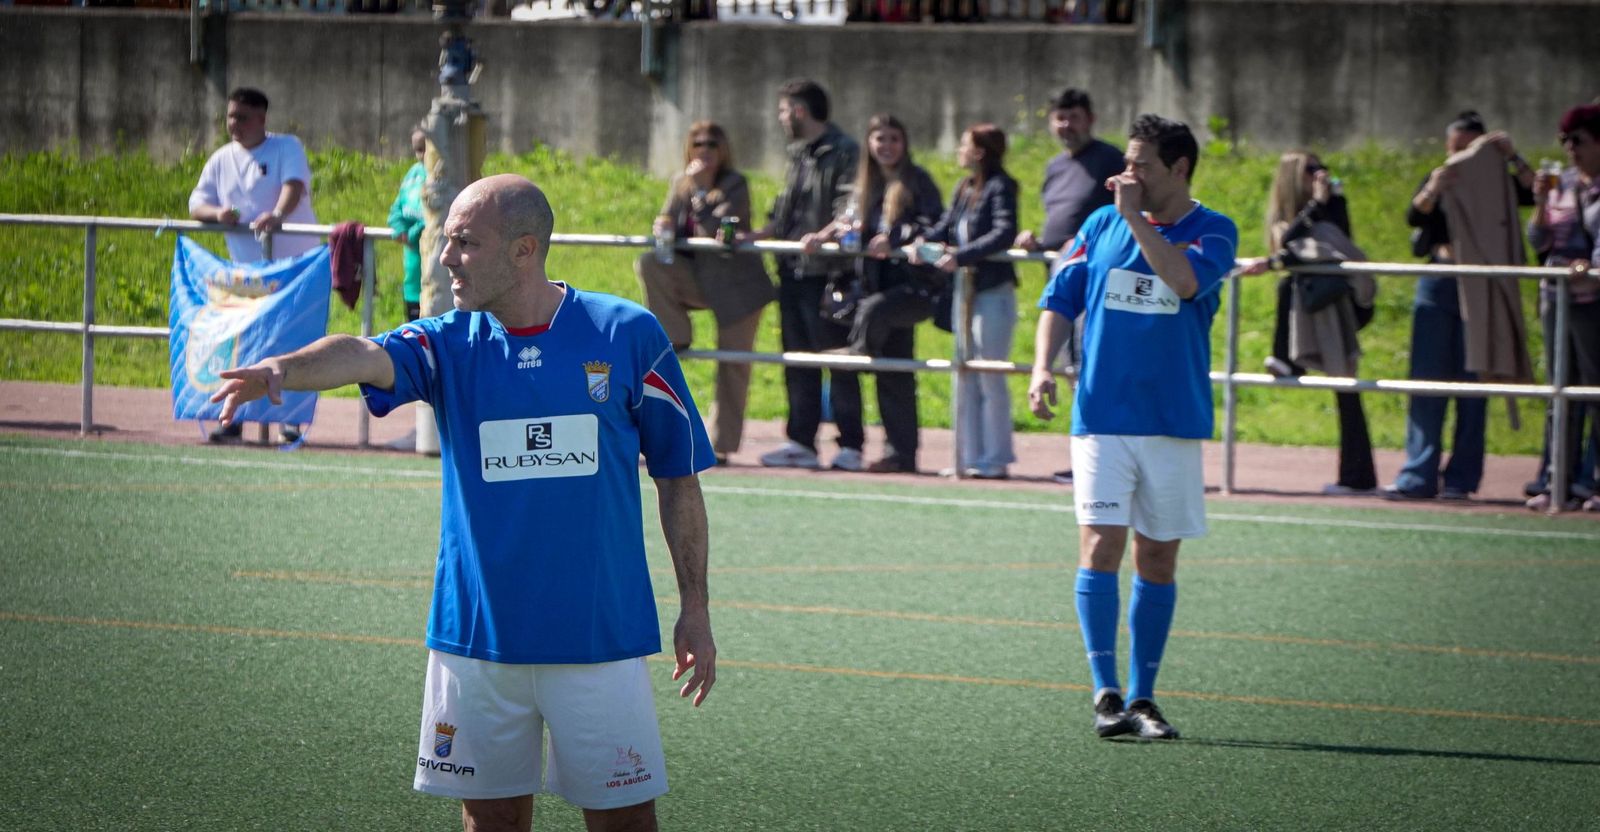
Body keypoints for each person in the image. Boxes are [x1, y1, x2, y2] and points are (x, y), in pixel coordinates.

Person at [208, 174, 717, 832]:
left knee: (624, 821)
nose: (444, 258)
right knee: (491, 822)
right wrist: (285, 368)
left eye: (464, 243)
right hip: (475, 642)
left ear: (524, 250)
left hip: (599, 636)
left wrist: (695, 609)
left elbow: (678, 477)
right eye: (444, 241)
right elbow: (363, 355)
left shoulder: (627, 335)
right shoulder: (446, 342)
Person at [1028, 114, 1239, 740]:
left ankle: (1146, 698)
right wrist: (1043, 367)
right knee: (1100, 546)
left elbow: (1183, 281)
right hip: (1101, 417)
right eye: (1127, 162)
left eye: (1142, 165)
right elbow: (1059, 300)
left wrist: (1135, 220)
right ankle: (1107, 694)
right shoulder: (1099, 225)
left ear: (1178, 169)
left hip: (1172, 420)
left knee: (1157, 557)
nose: (1127, 175)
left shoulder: (1213, 230)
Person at [1385, 111, 1535, 501]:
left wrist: (1513, 159)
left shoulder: (1498, 181)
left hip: (1481, 284)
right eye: (1454, 150)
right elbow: (1413, 215)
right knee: (1427, 381)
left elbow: (1534, 194)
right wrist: (1435, 186)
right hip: (1439, 281)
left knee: (1474, 384)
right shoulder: (1440, 176)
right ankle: (1417, 475)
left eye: (1468, 151)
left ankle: (1461, 479)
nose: (1460, 159)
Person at [802, 114, 944, 473]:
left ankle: (902, 451)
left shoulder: (917, 181)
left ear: (905, 143)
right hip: (869, 286)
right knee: (884, 369)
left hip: (910, 287)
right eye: (880, 139)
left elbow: (935, 225)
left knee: (892, 367)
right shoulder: (863, 183)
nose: (887, 146)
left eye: (894, 139)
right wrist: (824, 235)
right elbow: (848, 219)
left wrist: (896, 238)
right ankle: (886, 450)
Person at [635, 121, 775, 466]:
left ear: (724, 149)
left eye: (713, 143)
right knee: (650, 262)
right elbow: (667, 219)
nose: (705, 150)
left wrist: (699, 194)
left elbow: (723, 233)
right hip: (697, 278)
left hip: (738, 288)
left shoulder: (734, 184)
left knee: (733, 366)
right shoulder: (679, 182)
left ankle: (722, 445)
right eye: (698, 143)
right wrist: (663, 224)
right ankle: (676, 336)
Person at [1238, 151, 1378, 495]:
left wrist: (1327, 201)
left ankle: (1357, 477)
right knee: (1288, 285)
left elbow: (1341, 242)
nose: (1319, 174)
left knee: (1347, 386)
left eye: (1320, 168)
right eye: (1310, 170)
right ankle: (1284, 357)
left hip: (1335, 305)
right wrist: (1313, 206)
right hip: (1310, 304)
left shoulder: (1330, 206)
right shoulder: (1287, 217)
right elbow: (1289, 243)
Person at [188, 86, 320, 444]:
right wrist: (217, 213)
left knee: (292, 346)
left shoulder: (286, 147)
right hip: (248, 275)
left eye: (242, 117)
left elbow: (293, 186)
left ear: (261, 118)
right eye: (231, 116)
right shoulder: (220, 159)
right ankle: (233, 421)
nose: (234, 124)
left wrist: (276, 215)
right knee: (245, 347)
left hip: (294, 271)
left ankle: (289, 422)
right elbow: (196, 203)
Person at [747, 79, 864, 471]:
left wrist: (826, 235)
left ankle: (851, 445)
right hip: (792, 269)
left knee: (837, 360)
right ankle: (801, 441)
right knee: (797, 359)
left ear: (799, 111)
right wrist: (757, 234)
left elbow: (851, 203)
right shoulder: (798, 154)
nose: (781, 119)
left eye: (784, 110)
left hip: (828, 273)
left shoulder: (844, 151)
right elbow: (785, 209)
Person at [1014, 87, 1125, 486]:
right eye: (1060, 118)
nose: (1066, 125)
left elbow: (1120, 218)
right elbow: (1059, 222)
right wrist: (1037, 243)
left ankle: (1097, 458)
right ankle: (1086, 455)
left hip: (1098, 283)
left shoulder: (1110, 160)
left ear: (1090, 119)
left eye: (1074, 117)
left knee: (1090, 367)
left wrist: (1083, 243)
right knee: (1070, 368)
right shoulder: (1055, 166)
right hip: (1063, 282)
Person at [912, 123, 1020, 480]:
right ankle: (967, 456)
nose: (959, 150)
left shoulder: (1001, 186)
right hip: (965, 294)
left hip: (991, 293)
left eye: (964, 145)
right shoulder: (965, 187)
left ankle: (996, 457)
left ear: (979, 151)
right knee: (964, 373)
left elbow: (1002, 232)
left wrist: (962, 256)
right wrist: (921, 245)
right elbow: (945, 227)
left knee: (990, 372)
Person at [1525, 104, 1600, 512]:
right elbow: (1538, 241)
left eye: (1579, 141)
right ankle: (1558, 483)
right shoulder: (1562, 184)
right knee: (1560, 393)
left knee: (1595, 392)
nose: (1571, 149)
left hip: (1593, 302)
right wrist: (1539, 201)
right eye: (1565, 141)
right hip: (1557, 299)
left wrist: (1592, 268)